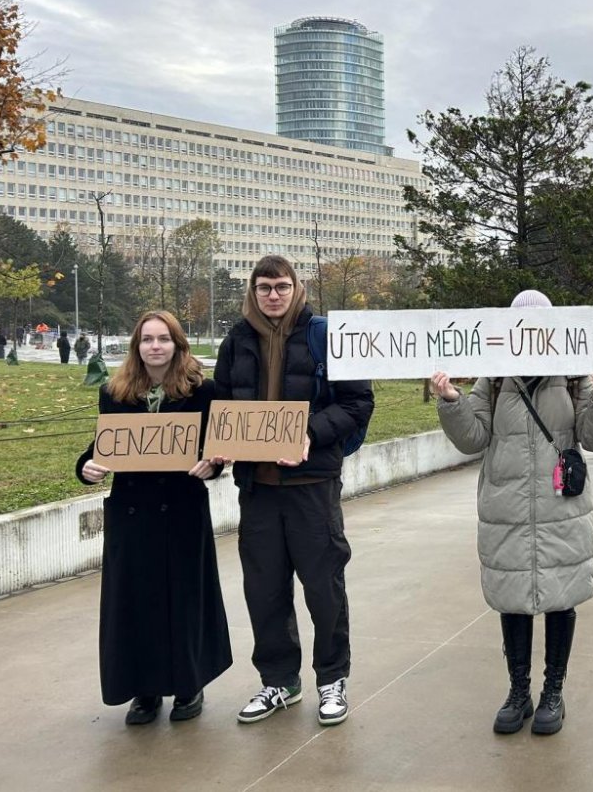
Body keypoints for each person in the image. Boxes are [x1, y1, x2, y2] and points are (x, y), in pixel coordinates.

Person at [430, 289, 593, 736]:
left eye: (539, 325)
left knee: (561, 598)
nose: (530, 333)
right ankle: (519, 692)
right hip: (507, 511)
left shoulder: (574, 375)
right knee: (512, 601)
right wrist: (452, 402)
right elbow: (473, 439)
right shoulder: (493, 379)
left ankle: (554, 691)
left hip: (561, 510)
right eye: (522, 325)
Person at [213, 255, 374, 727]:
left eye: (281, 286)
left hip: (312, 486)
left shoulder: (325, 335)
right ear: (253, 290)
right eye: (264, 287)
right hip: (258, 489)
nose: (273, 295)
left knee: (324, 588)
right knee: (264, 591)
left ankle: (332, 680)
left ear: (295, 287)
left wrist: (310, 435)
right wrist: (218, 446)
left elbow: (358, 402)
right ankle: (279, 680)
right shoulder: (237, 340)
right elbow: (221, 404)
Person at [75, 310, 232, 725]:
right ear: (137, 346)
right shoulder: (116, 391)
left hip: (181, 510)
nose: (155, 346)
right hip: (133, 512)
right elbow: (102, 445)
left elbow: (216, 451)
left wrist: (212, 465)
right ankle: (142, 691)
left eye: (163, 338)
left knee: (183, 600)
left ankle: (188, 684)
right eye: (147, 339)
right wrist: (86, 467)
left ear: (178, 345)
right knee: (135, 603)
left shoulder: (203, 391)